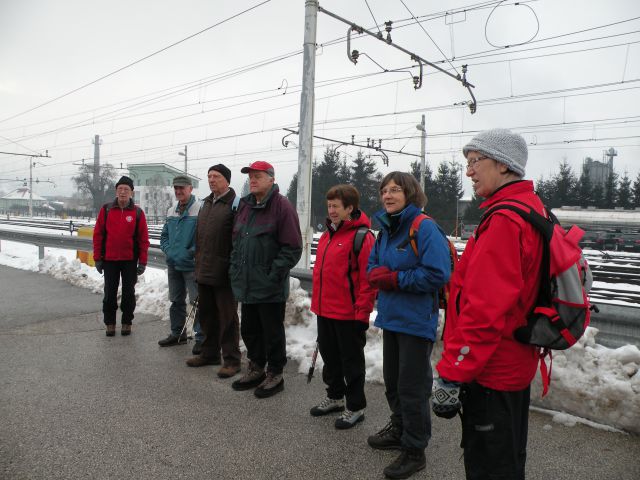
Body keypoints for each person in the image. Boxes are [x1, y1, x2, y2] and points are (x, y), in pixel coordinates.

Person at [433, 129, 544, 480]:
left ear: (503, 164)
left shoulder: (504, 221)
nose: (469, 172)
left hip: (492, 370)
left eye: (474, 162)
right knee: (508, 461)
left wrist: (452, 373)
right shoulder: (528, 209)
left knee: (490, 467)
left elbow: (484, 310)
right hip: (513, 362)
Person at [366, 172, 451, 480]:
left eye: (395, 190)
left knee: (412, 388)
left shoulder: (423, 228)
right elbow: (372, 266)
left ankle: (415, 451)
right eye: (384, 191)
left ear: (410, 194)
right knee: (393, 382)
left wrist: (394, 279)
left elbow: (438, 273)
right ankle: (400, 429)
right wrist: (380, 275)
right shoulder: (385, 230)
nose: (388, 195)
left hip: (416, 321)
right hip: (392, 318)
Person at [229, 160, 302, 398]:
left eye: (258, 176)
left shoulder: (282, 206)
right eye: (250, 176)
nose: (252, 180)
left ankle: (275, 374)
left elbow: (292, 248)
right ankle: (256, 368)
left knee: (271, 333)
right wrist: (234, 269)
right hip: (247, 283)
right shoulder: (245, 206)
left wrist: (273, 275)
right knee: (250, 330)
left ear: (271, 179)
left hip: (268, 286)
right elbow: (237, 242)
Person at [309, 184, 376, 429]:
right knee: (331, 358)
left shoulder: (362, 237)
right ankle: (335, 397)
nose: (331, 210)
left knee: (352, 363)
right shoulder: (328, 234)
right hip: (325, 310)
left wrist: (362, 313)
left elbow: (367, 281)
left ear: (350, 207)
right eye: (329, 206)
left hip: (349, 314)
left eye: (336, 206)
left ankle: (355, 407)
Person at [185, 164, 242, 378]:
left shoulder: (235, 205)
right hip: (204, 269)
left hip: (225, 273)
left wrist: (232, 267)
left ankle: (232, 360)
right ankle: (209, 353)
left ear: (226, 180)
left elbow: (237, 241)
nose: (211, 180)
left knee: (227, 318)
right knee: (207, 315)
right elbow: (201, 237)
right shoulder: (206, 204)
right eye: (209, 176)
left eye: (216, 176)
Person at [93, 175, 150, 337]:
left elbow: (143, 240)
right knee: (109, 293)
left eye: (126, 189)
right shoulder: (107, 210)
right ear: (116, 191)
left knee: (128, 293)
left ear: (132, 193)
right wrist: (98, 258)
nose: (123, 192)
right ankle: (110, 323)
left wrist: (143, 262)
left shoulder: (138, 213)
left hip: (129, 261)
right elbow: (98, 235)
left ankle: (127, 322)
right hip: (110, 260)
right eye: (120, 189)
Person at [158, 175, 204, 353]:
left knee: (197, 302)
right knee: (176, 300)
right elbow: (164, 237)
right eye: (176, 188)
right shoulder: (171, 210)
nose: (178, 191)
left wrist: (190, 254)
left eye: (182, 188)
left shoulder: (200, 209)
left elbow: (203, 238)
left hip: (191, 265)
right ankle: (178, 334)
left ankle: (201, 338)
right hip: (173, 265)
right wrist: (170, 251)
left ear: (190, 189)